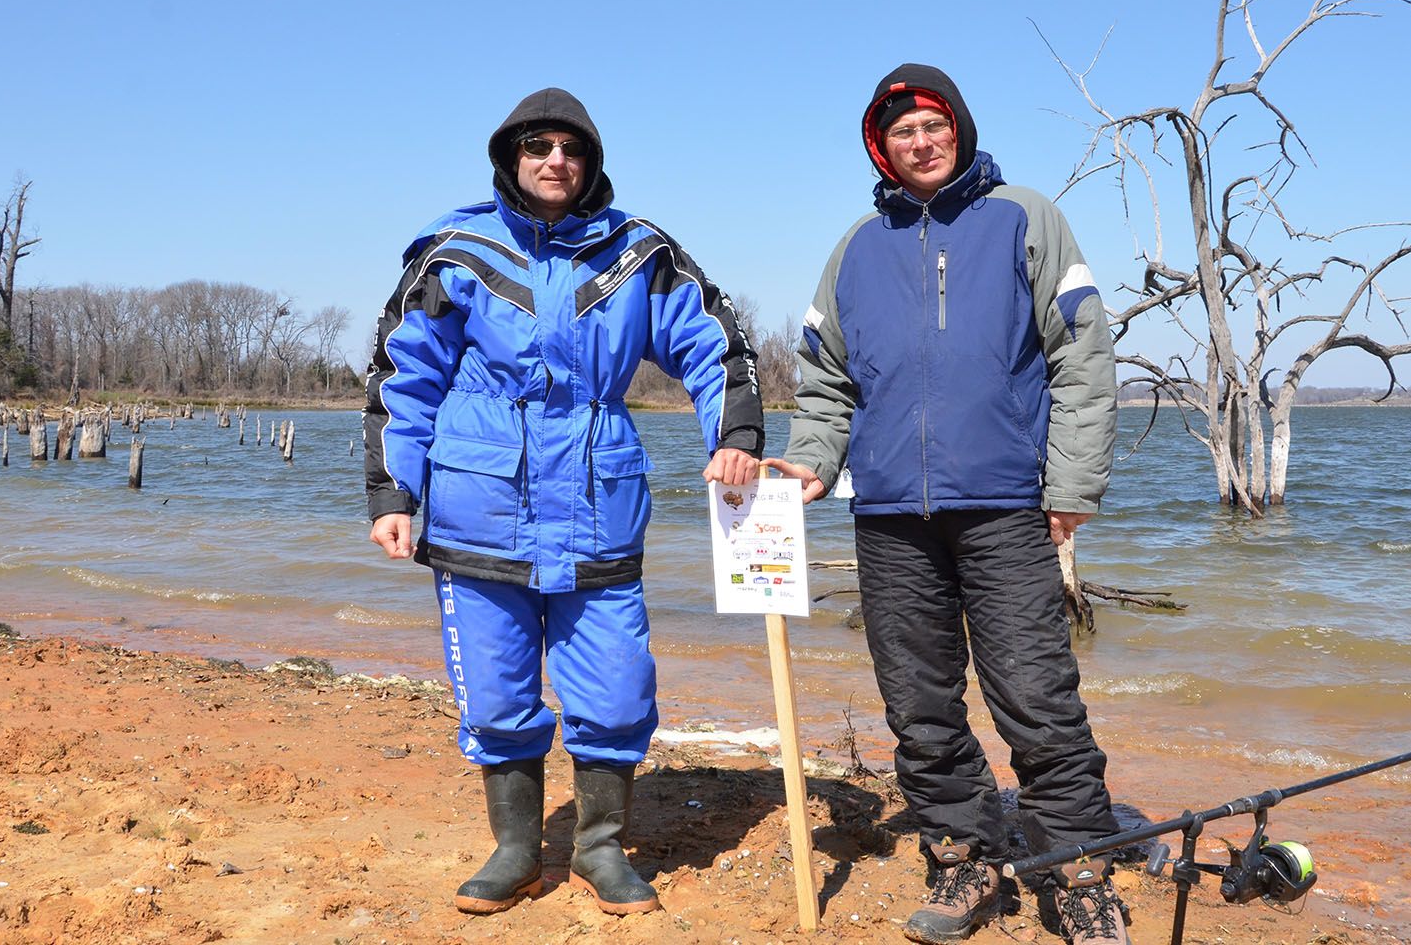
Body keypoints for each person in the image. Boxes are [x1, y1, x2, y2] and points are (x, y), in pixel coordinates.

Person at [364, 86, 763, 918]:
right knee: (499, 694)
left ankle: (599, 847)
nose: (556, 162)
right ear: (510, 158)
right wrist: (393, 492)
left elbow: (712, 343)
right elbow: (404, 377)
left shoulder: (637, 252)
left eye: (571, 149)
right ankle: (515, 850)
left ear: (592, 163)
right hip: (480, 506)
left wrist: (735, 436)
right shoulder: (458, 251)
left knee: (617, 688)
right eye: (537, 147)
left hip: (600, 503)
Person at [763, 63, 1130, 944]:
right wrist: (810, 465)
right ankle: (966, 862)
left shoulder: (1025, 219)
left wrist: (1072, 484)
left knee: (1038, 698)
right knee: (919, 705)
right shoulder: (856, 247)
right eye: (901, 134)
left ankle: (1077, 869)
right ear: (879, 149)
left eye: (933, 126)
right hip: (888, 516)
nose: (920, 143)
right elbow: (824, 384)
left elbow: (1083, 354)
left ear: (958, 129)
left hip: (1005, 505)